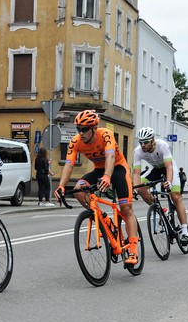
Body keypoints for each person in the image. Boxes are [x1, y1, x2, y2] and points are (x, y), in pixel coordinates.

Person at [55, 109, 140, 264]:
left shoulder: (105, 134)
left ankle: (133, 250)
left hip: (117, 168)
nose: (81, 133)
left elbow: (111, 156)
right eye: (78, 129)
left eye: (84, 129)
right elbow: (69, 165)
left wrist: (108, 176)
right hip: (99, 170)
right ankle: (102, 218)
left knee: (126, 208)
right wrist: (61, 186)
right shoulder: (76, 142)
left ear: (94, 128)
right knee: (79, 189)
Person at [132, 127, 188, 245]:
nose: (143, 145)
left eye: (146, 142)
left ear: (153, 140)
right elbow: (136, 173)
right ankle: (159, 209)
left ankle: (184, 231)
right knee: (141, 188)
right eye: (141, 142)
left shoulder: (162, 145)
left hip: (168, 167)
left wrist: (168, 181)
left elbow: (169, 166)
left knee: (175, 197)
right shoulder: (138, 151)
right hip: (155, 169)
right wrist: (135, 189)